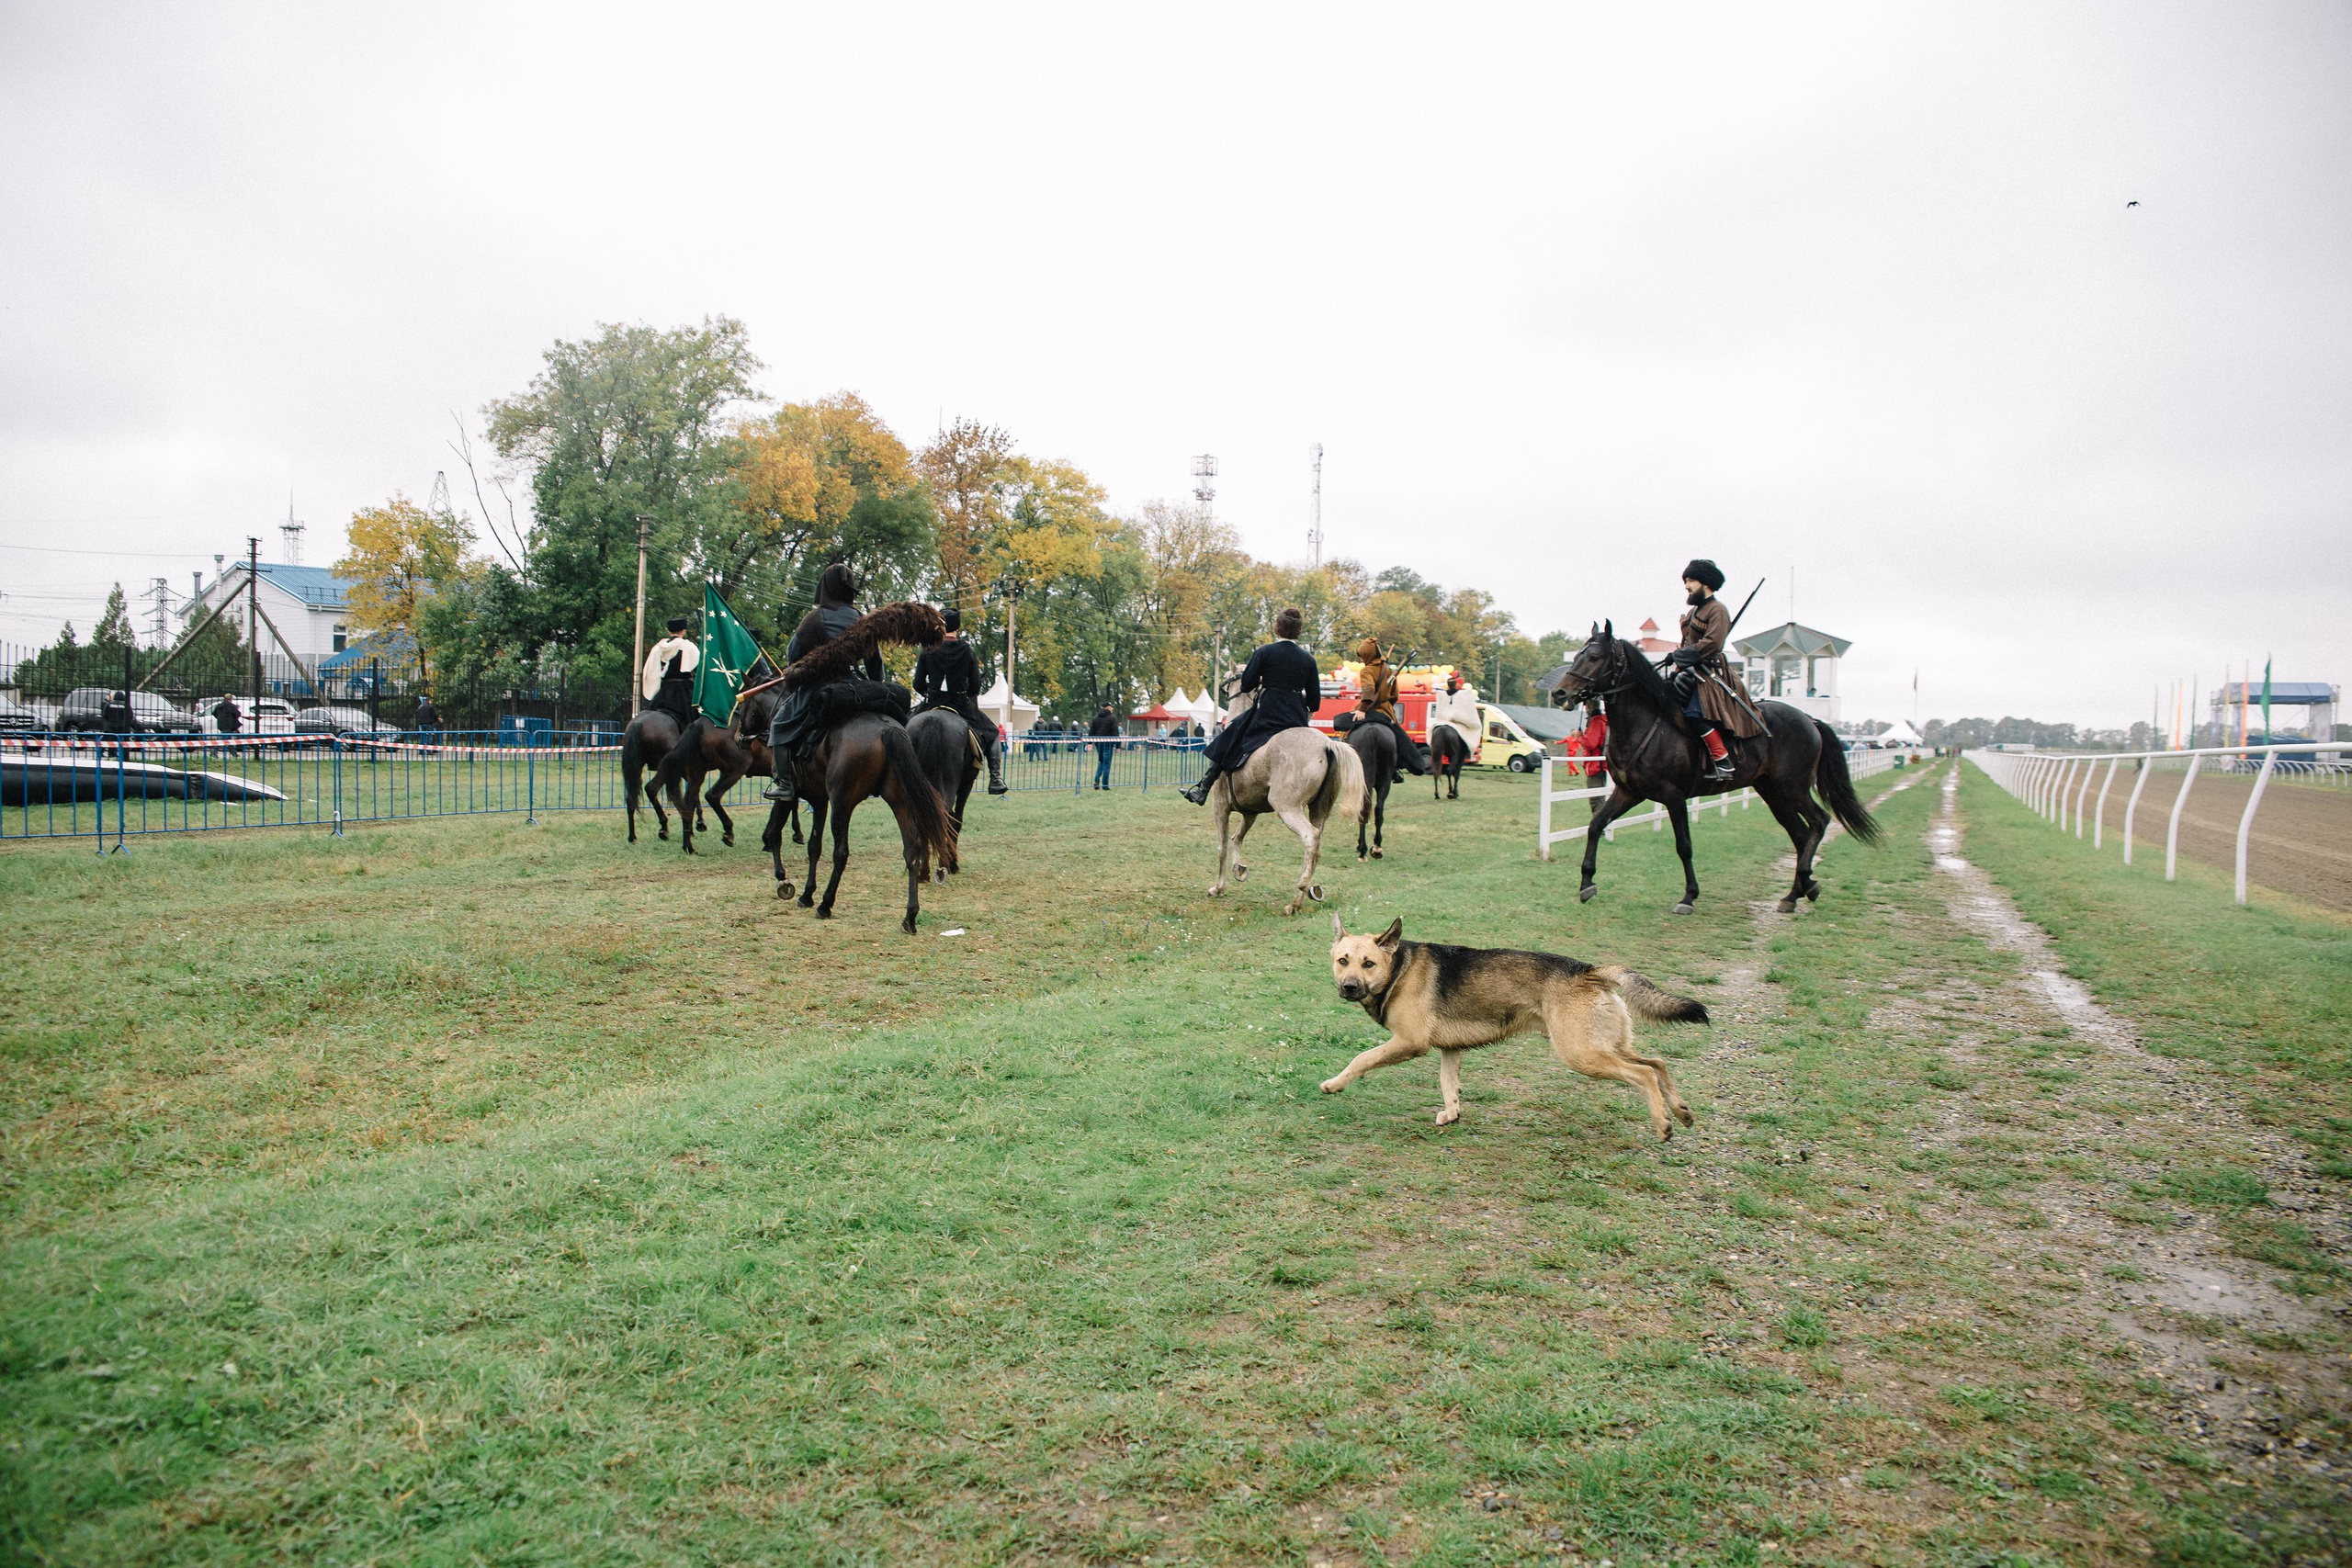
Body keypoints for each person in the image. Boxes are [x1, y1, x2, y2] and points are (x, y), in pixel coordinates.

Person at [763, 564, 882, 806]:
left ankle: (785, 784)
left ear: (824, 587)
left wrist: (800, 673)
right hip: (853, 686)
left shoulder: (814, 618)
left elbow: (793, 654)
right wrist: (874, 687)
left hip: (820, 686)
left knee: (779, 724)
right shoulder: (862, 618)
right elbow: (875, 662)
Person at [1180, 608, 1320, 805]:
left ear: (1277, 628)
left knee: (1230, 735)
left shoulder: (1264, 652)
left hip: (1268, 714)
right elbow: (1315, 702)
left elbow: (1246, 685)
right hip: (1296, 718)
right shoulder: (1309, 659)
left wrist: (1264, 679)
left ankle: (1203, 788)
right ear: (1298, 631)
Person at [1667, 558, 1765, 783]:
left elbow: (1713, 643)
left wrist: (1681, 655)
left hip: (1710, 674)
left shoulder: (1718, 610)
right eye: (1685, 580)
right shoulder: (1693, 612)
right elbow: (1686, 643)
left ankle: (1723, 761)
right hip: (1689, 670)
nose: (1686, 586)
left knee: (1695, 714)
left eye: (1690, 580)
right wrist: (1677, 658)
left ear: (1705, 582)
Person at [911, 607, 1008, 795]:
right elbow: (975, 686)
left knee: (903, 729)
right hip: (960, 704)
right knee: (993, 733)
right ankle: (995, 778)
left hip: (932, 702)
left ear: (939, 626)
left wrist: (929, 692)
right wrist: (965, 695)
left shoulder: (928, 649)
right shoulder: (967, 650)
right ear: (958, 626)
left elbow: (917, 684)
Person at [1351, 636, 1429, 782]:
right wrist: (1387, 705)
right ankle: (1396, 770)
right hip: (1386, 710)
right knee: (1397, 739)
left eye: (1362, 656)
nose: (1362, 660)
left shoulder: (1366, 670)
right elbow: (1395, 695)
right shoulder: (1387, 670)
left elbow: (1368, 690)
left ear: (1367, 655)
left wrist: (1362, 709)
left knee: (1346, 731)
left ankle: (1347, 766)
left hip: (1367, 708)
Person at [641, 615, 700, 727]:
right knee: (695, 722)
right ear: (683, 631)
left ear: (669, 632)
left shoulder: (658, 648)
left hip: (663, 692)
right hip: (683, 692)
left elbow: (650, 672)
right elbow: (699, 671)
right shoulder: (688, 647)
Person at [1429, 671, 1481, 762]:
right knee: (1471, 732)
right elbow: (1468, 711)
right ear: (1456, 684)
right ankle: (1467, 751)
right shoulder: (1463, 694)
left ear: (1448, 685)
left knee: (1431, 732)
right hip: (1458, 721)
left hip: (1442, 720)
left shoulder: (1441, 694)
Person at [1088, 704, 1120, 789]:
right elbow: (1115, 732)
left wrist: (1090, 743)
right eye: (1111, 707)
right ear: (1108, 708)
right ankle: (1105, 785)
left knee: (1101, 762)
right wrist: (1118, 745)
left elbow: (1091, 731)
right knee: (1107, 764)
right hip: (1108, 743)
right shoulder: (1112, 718)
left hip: (1098, 743)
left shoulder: (1096, 718)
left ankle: (1096, 781)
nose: (1112, 708)